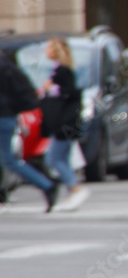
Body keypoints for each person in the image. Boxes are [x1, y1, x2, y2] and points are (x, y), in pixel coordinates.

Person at [0, 52, 60, 211]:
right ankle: (46, 185)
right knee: (7, 160)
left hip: (3, 118)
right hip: (9, 117)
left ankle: (47, 185)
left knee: (8, 161)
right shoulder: (7, 65)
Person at [40, 38, 90, 211]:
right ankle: (72, 194)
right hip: (65, 122)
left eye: (48, 47)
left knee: (53, 158)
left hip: (63, 122)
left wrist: (50, 89)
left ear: (56, 50)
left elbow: (70, 92)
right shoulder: (61, 69)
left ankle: (75, 188)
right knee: (64, 159)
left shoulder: (62, 70)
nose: (46, 50)